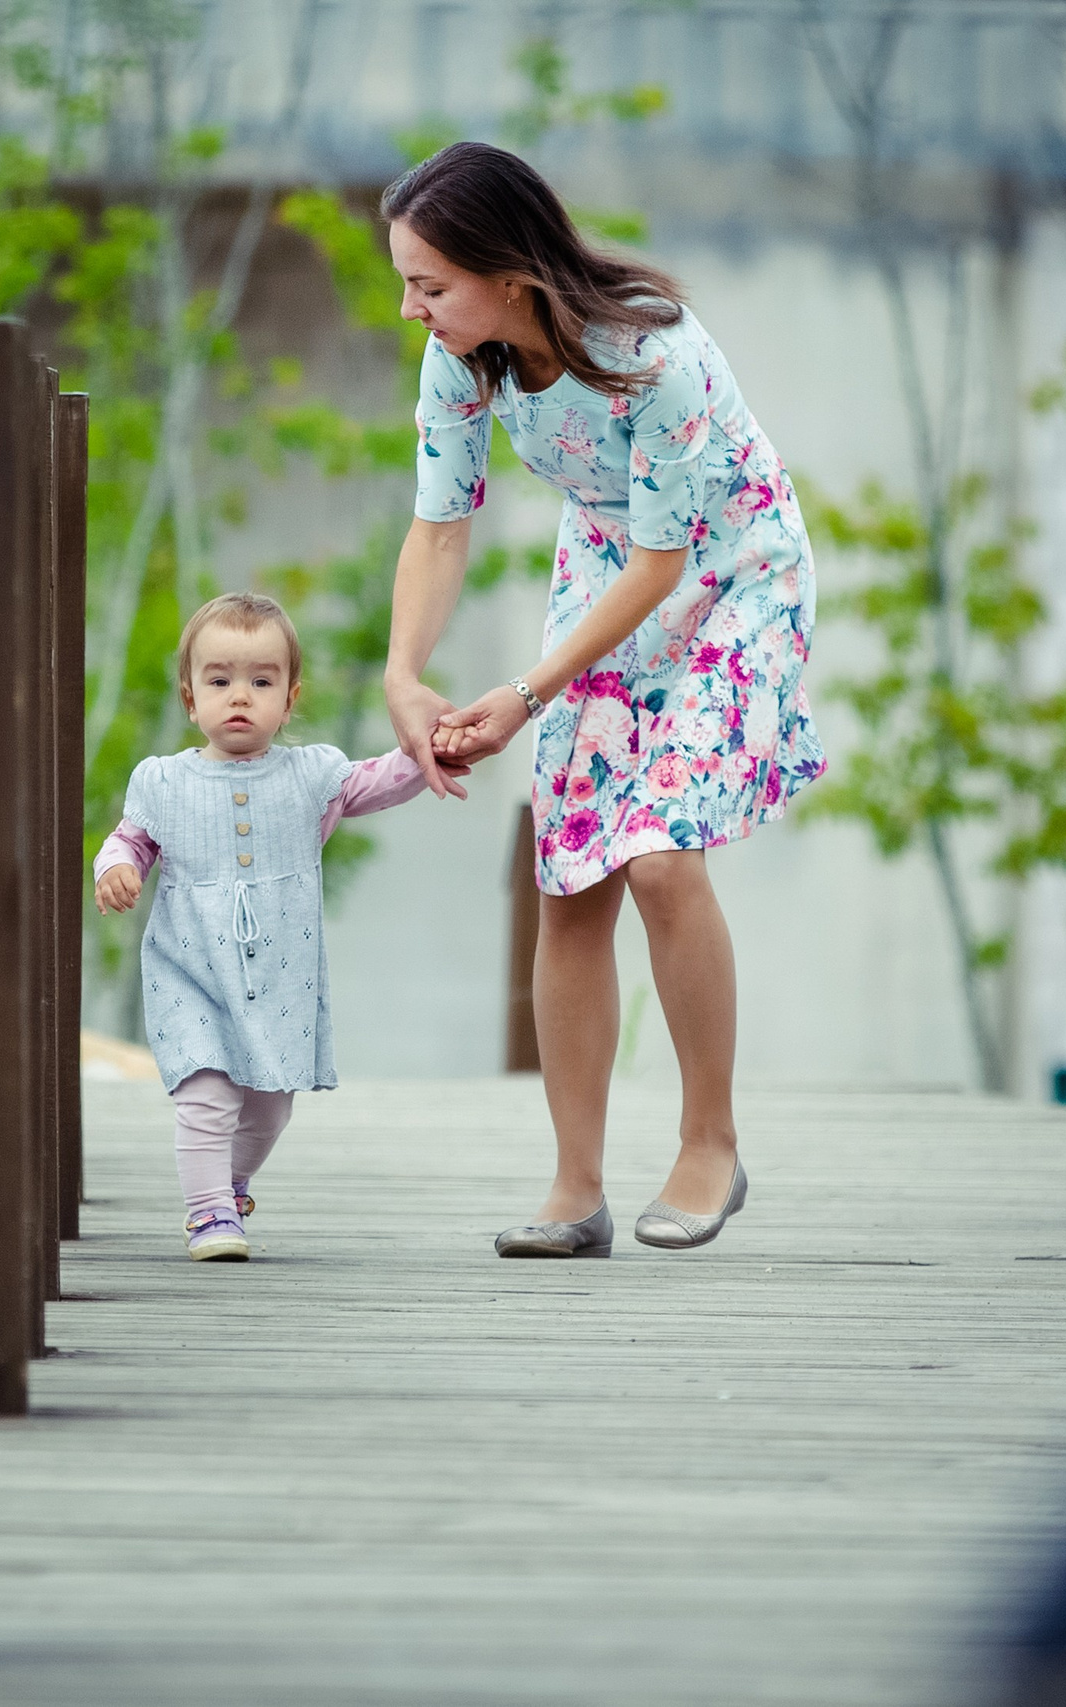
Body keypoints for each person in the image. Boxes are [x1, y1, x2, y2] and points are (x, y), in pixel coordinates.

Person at [377, 142, 825, 1259]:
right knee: (570, 875)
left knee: (662, 854)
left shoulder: (652, 352)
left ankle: (710, 1143)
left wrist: (524, 694)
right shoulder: (461, 358)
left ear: (511, 275)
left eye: (429, 284)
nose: (410, 308)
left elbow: (668, 565)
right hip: (609, 572)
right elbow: (440, 526)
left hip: (733, 576)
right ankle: (575, 1188)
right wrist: (402, 673)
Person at [95, 592, 431, 1261]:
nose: (240, 696)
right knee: (206, 1091)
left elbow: (381, 779)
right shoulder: (163, 782)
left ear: (290, 697)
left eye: (261, 681)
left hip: (278, 975)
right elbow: (129, 840)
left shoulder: (311, 776)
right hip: (190, 968)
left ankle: (229, 1184)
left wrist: (432, 748)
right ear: (191, 698)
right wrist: (116, 867)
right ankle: (209, 1212)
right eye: (219, 681)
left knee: (270, 1107)